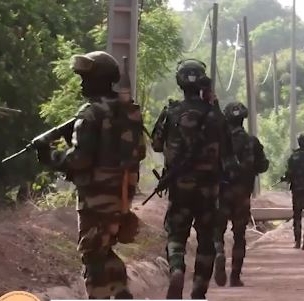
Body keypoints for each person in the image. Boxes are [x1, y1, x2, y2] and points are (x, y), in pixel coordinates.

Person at [35, 51, 144, 299]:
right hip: (122, 193)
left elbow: (79, 160)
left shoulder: (90, 113)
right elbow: (139, 151)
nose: (83, 83)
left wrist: (48, 156)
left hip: (95, 198)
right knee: (104, 250)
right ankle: (120, 292)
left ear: (101, 80)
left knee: (92, 255)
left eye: (87, 78)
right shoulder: (130, 111)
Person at [151, 59, 239, 298]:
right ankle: (199, 292)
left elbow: (156, 145)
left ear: (179, 81)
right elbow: (229, 155)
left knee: (176, 235)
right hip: (209, 189)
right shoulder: (216, 116)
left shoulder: (171, 112)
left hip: (179, 186)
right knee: (207, 239)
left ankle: (177, 269)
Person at [213, 102, 269, 288]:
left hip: (220, 193)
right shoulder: (252, 142)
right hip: (242, 195)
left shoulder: (218, 141)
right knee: (239, 236)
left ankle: (219, 252)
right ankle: (235, 277)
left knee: (216, 232)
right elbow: (263, 166)